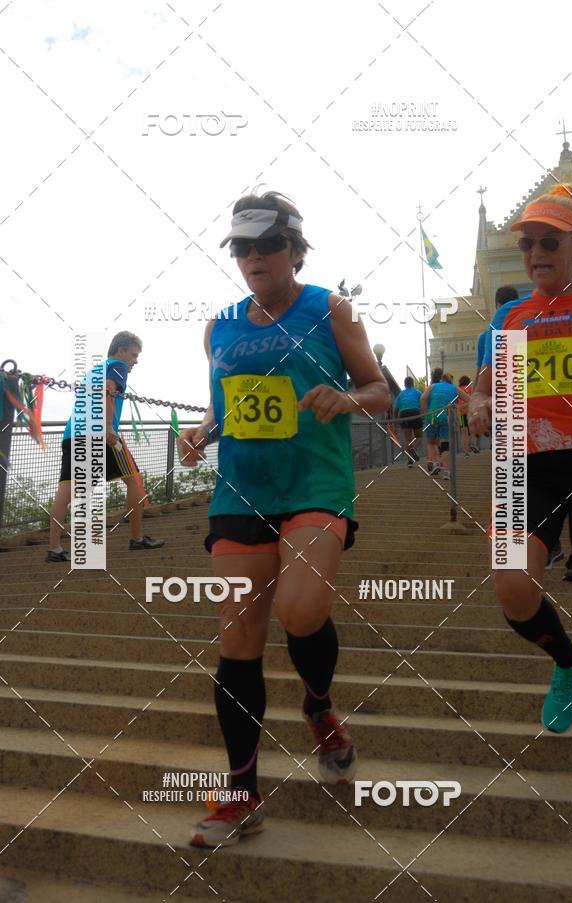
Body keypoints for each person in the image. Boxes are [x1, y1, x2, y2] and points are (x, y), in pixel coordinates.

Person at [178, 191, 391, 848]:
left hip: (315, 484)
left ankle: (319, 704)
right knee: (238, 640)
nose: (253, 257)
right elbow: (228, 407)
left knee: (300, 612)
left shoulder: (330, 307)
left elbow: (382, 390)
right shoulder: (220, 327)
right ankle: (241, 794)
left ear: (296, 249)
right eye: (242, 247)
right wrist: (202, 433)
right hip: (241, 491)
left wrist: (346, 395)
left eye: (267, 244)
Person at [469, 183, 572, 733]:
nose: (536, 252)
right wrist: (477, 400)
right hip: (525, 465)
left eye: (550, 240)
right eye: (527, 243)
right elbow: (486, 384)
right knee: (512, 585)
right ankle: (571, 662)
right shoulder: (512, 319)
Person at [46, 332, 164, 562]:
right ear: (121, 350)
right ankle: (137, 539)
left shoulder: (93, 371)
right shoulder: (117, 365)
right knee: (134, 480)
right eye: (134, 355)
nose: (135, 361)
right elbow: (109, 390)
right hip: (101, 434)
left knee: (66, 490)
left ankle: (54, 549)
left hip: (74, 434)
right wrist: (109, 427)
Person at [421, 371, 468, 480]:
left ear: (442, 380)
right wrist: (457, 407)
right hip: (446, 416)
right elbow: (469, 400)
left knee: (431, 442)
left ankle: (436, 463)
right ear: (450, 380)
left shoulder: (433, 386)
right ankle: (447, 471)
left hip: (432, 415)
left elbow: (423, 398)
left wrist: (425, 413)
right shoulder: (454, 388)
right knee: (445, 444)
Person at [393, 376, 423, 466]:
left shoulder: (401, 394)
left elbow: (395, 410)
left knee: (407, 439)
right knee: (419, 436)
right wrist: (423, 415)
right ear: (413, 384)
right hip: (415, 412)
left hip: (404, 414)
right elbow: (423, 403)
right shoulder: (418, 393)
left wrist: (395, 424)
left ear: (404, 385)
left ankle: (409, 460)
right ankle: (414, 448)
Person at [457, 375, 475, 455]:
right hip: (470, 412)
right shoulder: (470, 388)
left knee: (464, 433)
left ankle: (466, 451)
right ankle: (473, 444)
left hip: (461, 414)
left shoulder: (458, 390)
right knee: (472, 430)